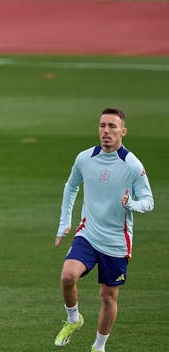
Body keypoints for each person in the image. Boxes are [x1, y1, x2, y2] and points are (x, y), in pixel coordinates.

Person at [53, 108, 154, 352]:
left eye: (111, 126)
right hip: (88, 234)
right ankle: (74, 319)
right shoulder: (85, 158)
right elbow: (71, 187)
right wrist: (64, 222)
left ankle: (98, 347)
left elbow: (149, 201)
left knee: (108, 298)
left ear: (123, 131)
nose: (106, 131)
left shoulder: (132, 165)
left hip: (117, 242)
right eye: (102, 125)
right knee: (67, 276)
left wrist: (131, 205)